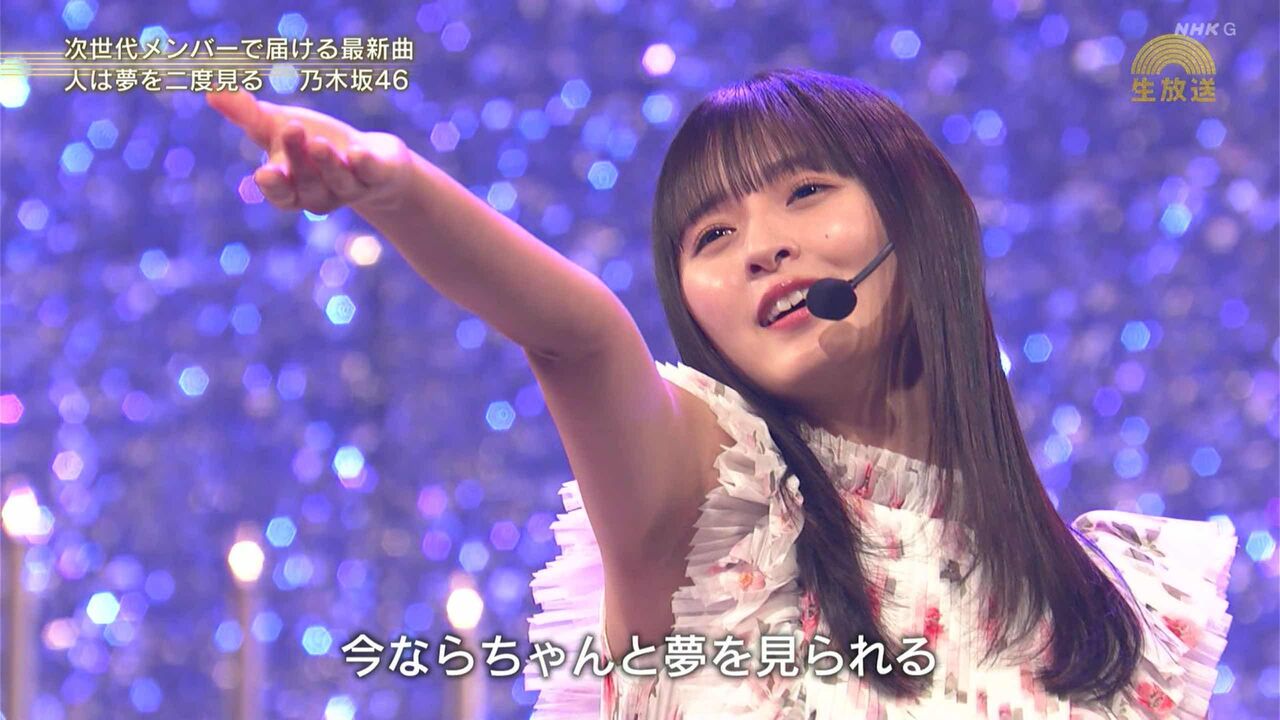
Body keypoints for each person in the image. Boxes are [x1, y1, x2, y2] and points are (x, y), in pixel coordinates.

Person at [207, 67, 1238, 719]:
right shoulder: (715, 500)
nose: (762, 248)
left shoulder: (1114, 604)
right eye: (712, 235)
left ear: (920, 221)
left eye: (804, 191)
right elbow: (576, 339)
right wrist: (395, 187)